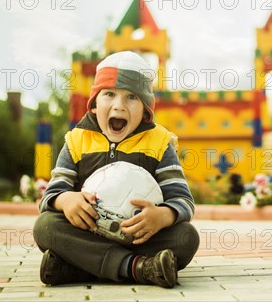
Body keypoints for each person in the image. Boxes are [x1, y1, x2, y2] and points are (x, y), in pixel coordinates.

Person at [33, 51, 199, 288]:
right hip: (88, 234)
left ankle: (78, 269)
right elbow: (50, 197)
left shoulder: (160, 143)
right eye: (109, 94)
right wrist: (66, 200)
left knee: (186, 237)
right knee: (45, 226)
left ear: (145, 109)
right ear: (95, 103)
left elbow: (183, 200)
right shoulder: (77, 141)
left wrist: (162, 216)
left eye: (131, 97)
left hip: (139, 238)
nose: (119, 106)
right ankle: (138, 268)